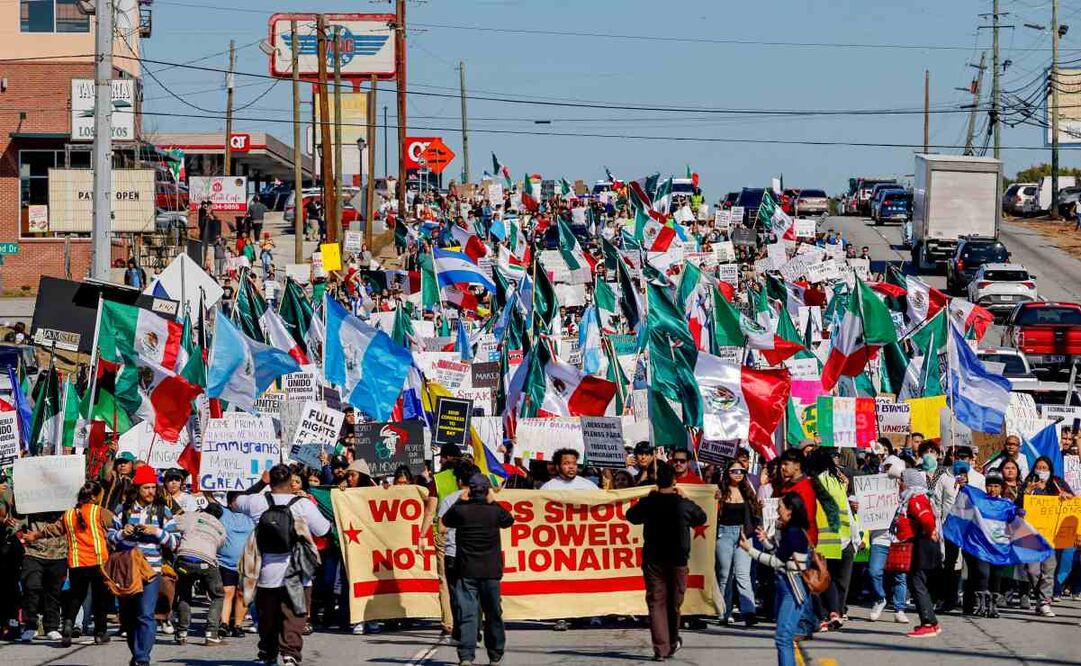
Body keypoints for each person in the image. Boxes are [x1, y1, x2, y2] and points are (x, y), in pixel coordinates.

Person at [234, 464, 331, 666]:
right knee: (294, 616)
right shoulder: (302, 504)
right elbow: (323, 530)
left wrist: (261, 483)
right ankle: (290, 654)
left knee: (267, 618)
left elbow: (235, 502)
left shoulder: (258, 501)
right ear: (290, 482)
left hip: (265, 573)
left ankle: (269, 653)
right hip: (297, 573)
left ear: (272, 481)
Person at [626, 462, 707, 661]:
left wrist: (650, 498)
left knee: (657, 603)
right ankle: (670, 643)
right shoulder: (682, 503)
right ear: (674, 480)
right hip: (678, 561)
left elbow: (631, 516)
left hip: (654, 560)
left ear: (656, 482)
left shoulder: (649, 503)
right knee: (673, 603)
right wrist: (686, 498)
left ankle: (661, 648)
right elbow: (701, 517)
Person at [24, 481, 114, 647]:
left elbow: (53, 529)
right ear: (94, 497)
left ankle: (67, 624)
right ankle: (100, 633)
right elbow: (117, 528)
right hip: (98, 561)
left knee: (76, 597)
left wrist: (35, 535)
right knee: (99, 598)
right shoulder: (101, 512)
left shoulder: (68, 514)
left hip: (76, 562)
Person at [108, 464, 180, 666]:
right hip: (127, 571)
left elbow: (176, 542)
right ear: (137, 488)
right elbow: (110, 538)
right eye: (146, 488)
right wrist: (124, 533)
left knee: (146, 614)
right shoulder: (123, 511)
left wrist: (156, 532)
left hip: (152, 571)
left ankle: (142, 658)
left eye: (153, 488)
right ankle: (137, 652)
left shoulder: (162, 511)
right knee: (129, 617)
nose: (151, 492)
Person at [441, 473, 515, 666]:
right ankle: (495, 654)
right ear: (488, 490)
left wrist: (459, 500)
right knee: (493, 613)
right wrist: (494, 501)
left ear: (469, 490)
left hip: (467, 571)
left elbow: (446, 520)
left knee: (468, 614)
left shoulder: (461, 511)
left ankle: (466, 656)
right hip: (491, 571)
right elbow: (509, 520)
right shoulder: (494, 511)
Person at [740, 492, 811, 666]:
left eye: (780, 507)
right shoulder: (791, 531)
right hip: (787, 587)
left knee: (783, 638)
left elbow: (777, 562)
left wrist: (750, 550)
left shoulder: (793, 533)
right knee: (783, 637)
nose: (777, 510)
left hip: (793, 589)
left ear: (790, 510)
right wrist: (765, 541)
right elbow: (781, 555)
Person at [1017, 456, 1073, 618]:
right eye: (1039, 467)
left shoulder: (1057, 483)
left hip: (1051, 535)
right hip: (1031, 535)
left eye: (1044, 468)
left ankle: (1044, 602)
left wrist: (1065, 496)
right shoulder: (1027, 482)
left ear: (1050, 470)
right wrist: (1027, 492)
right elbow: (1017, 504)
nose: (1041, 471)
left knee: (1049, 570)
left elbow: (1071, 500)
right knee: (1032, 570)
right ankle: (1039, 597)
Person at [894, 469, 941, 638]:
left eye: (902, 480)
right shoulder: (915, 497)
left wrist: (931, 531)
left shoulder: (915, 499)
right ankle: (931, 622)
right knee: (917, 582)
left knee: (917, 583)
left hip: (921, 545)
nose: (899, 484)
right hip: (922, 544)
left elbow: (926, 518)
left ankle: (928, 623)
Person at [173, 502, 228, 645]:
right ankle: (211, 633)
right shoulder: (221, 528)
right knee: (218, 595)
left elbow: (174, 523)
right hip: (207, 561)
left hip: (184, 559)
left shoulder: (192, 516)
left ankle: (181, 633)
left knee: (184, 594)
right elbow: (220, 546)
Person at [714, 459, 760, 627]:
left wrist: (750, 530)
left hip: (744, 536)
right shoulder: (719, 492)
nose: (738, 474)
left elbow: (755, 515)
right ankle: (723, 613)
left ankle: (749, 612)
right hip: (724, 534)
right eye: (734, 471)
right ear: (727, 473)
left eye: (741, 471)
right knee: (724, 575)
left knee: (743, 574)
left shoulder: (748, 491)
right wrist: (716, 500)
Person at [219, 491, 255, 638]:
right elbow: (209, 499)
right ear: (229, 503)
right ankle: (224, 624)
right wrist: (202, 485)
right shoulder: (224, 513)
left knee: (242, 594)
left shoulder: (252, 515)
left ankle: (238, 625)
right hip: (225, 562)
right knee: (227, 592)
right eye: (237, 500)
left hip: (247, 562)